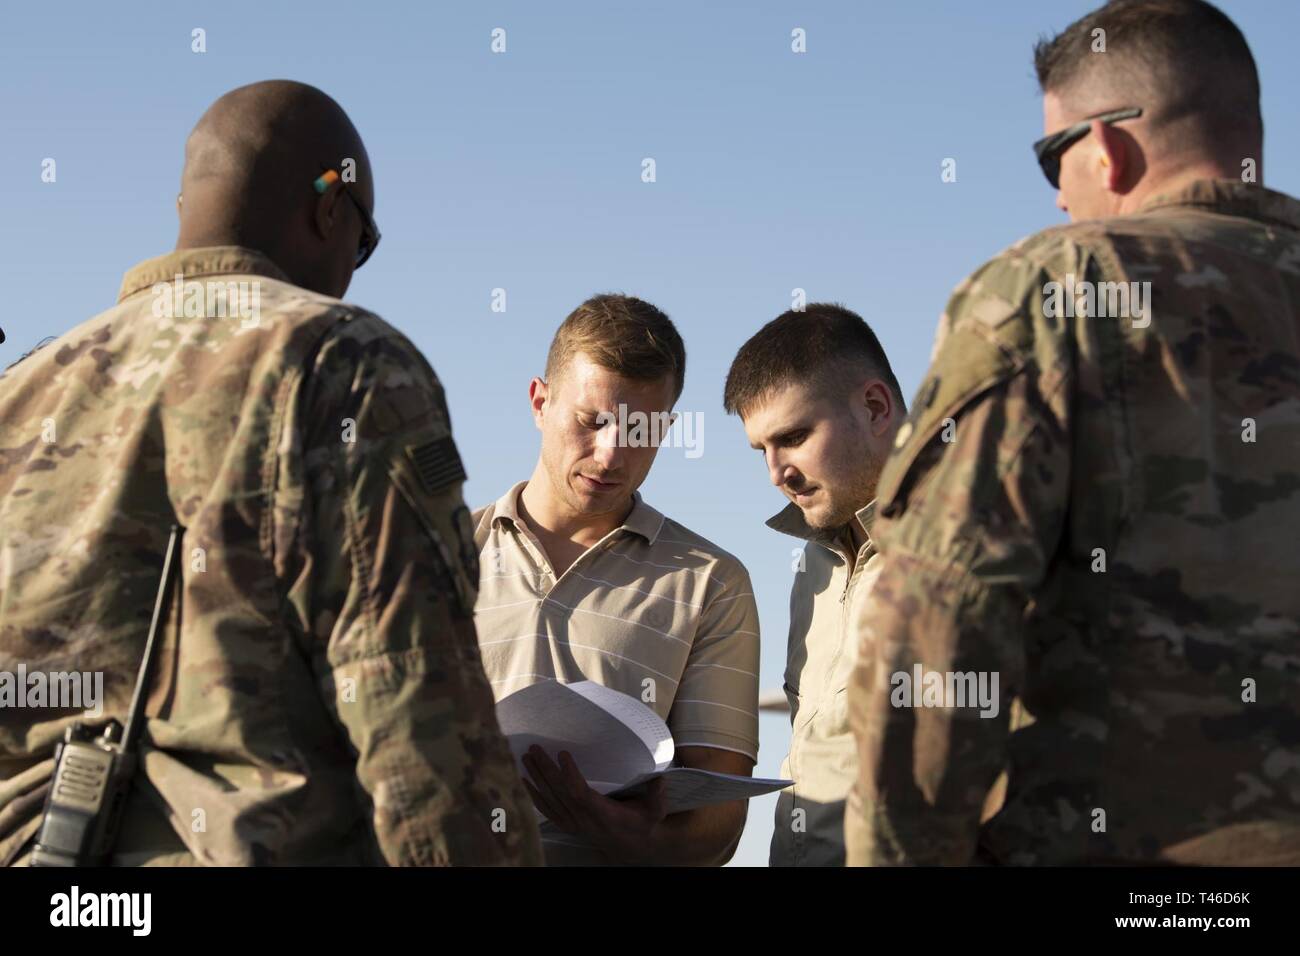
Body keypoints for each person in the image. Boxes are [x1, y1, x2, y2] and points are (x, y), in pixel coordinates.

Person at [0, 80, 540, 866]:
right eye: (363, 243)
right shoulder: (340, 362)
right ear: (331, 207)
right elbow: (418, 719)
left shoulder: (21, 392)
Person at [845, 0, 1300, 865]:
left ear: (1108, 147)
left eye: (1053, 154)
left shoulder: (1061, 287)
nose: (1057, 192)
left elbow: (941, 622)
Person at [473, 293, 760, 865]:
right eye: (592, 421)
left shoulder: (713, 584)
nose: (610, 455)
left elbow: (721, 824)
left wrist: (630, 837)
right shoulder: (433, 555)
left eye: (639, 429)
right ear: (539, 401)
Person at [724, 304, 903, 866]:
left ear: (875, 407)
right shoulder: (816, 564)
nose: (776, 473)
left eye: (794, 437)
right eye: (762, 452)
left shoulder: (990, 527)